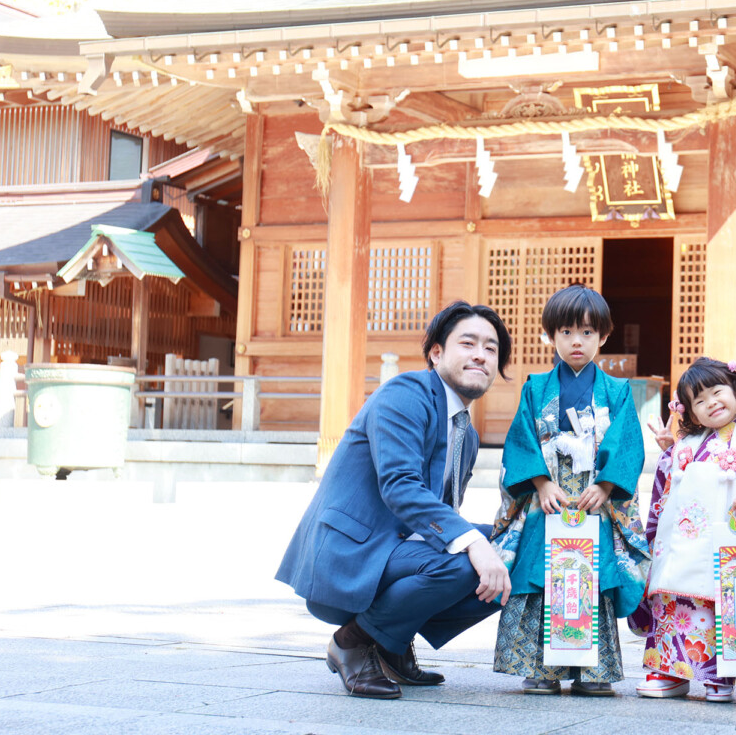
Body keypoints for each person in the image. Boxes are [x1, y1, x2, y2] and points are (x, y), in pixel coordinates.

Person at [275, 301, 514, 699]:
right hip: (351, 554)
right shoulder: (407, 394)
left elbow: (442, 513)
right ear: (436, 353)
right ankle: (352, 642)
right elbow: (401, 486)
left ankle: (391, 641)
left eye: (491, 349)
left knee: (517, 545)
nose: (480, 355)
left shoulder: (466, 434)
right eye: (468, 343)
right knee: (467, 561)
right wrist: (475, 543)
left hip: (397, 551)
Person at [491, 284, 650, 696]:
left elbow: (628, 443)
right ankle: (540, 668)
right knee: (540, 573)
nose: (576, 341)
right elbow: (521, 440)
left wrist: (606, 484)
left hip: (593, 502)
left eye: (586, 333)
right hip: (548, 499)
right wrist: (541, 482)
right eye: (565, 332)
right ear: (550, 336)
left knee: (589, 576)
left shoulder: (616, 392)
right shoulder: (535, 387)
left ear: (603, 336)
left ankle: (592, 672)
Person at [632, 357, 736, 703]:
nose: (711, 403)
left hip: (724, 542)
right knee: (674, 601)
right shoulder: (687, 445)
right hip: (681, 544)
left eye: (717, 392)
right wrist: (670, 453)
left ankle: (719, 672)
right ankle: (669, 670)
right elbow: (665, 491)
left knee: (720, 603)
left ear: (735, 391)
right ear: (690, 412)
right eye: (699, 401)